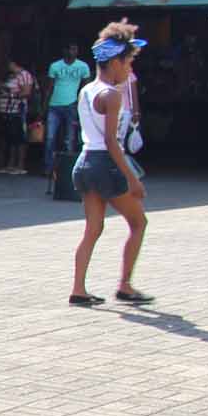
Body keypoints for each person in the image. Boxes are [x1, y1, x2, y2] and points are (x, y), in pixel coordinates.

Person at [70, 23, 152, 307]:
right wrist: (132, 178)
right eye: (128, 62)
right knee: (139, 222)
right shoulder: (112, 95)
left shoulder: (87, 91)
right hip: (106, 164)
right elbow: (112, 142)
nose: (129, 69)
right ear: (115, 62)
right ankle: (125, 285)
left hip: (84, 163)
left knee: (92, 229)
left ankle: (78, 289)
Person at [44, 43, 93, 176]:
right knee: (50, 137)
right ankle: (48, 168)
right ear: (64, 50)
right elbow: (49, 88)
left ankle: (69, 169)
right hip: (54, 105)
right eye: (71, 48)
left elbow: (86, 88)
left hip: (72, 105)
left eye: (75, 49)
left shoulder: (83, 66)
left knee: (70, 138)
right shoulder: (55, 66)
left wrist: (84, 106)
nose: (73, 51)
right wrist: (44, 106)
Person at [0, 62, 36, 175]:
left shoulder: (24, 75)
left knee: (19, 138)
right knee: (10, 138)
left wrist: (10, 95)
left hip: (18, 111)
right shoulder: (13, 76)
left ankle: (20, 165)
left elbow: (26, 93)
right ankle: (11, 164)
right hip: (7, 111)